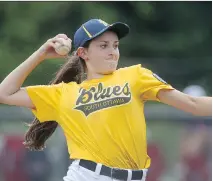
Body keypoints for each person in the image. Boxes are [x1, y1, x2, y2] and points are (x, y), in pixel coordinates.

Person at [0, 18, 211, 181]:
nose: (113, 52)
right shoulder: (62, 93)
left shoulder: (136, 76)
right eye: (103, 46)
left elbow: (192, 104)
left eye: (115, 45)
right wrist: (41, 54)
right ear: (83, 52)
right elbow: (5, 93)